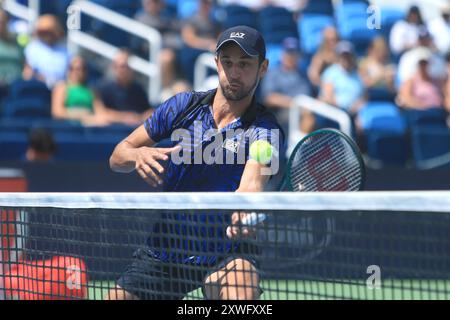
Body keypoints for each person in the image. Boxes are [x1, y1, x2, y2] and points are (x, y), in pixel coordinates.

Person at [108, 25, 284, 300]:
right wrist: (136, 154)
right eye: (227, 63)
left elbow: (252, 185)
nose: (234, 73)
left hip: (224, 252)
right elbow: (117, 156)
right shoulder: (182, 107)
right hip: (165, 250)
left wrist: (242, 213)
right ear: (216, 63)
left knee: (241, 287)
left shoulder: (264, 131)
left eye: (245, 64)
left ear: (263, 68)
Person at [261, 37, 312, 133]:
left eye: (294, 53)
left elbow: (309, 95)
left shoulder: (303, 74)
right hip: (282, 112)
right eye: (288, 52)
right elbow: (269, 98)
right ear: (282, 54)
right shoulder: (274, 73)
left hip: (304, 110)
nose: (291, 56)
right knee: (308, 118)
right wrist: (295, 104)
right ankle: (299, 147)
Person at [97, 49, 153, 126]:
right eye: (121, 66)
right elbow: (101, 114)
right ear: (114, 67)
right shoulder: (105, 89)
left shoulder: (139, 89)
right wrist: (124, 117)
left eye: (126, 66)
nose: (123, 70)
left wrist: (139, 117)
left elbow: (148, 111)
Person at [133, 0, 182, 88]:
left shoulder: (166, 17)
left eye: (156, 2)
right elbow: (142, 44)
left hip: (170, 50)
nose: (153, 4)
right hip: (148, 54)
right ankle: (166, 90)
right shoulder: (141, 18)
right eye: (152, 1)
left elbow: (176, 32)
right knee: (166, 57)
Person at [52, 56, 111, 126]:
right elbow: (57, 112)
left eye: (79, 69)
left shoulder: (91, 91)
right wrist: (81, 115)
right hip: (69, 128)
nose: (75, 71)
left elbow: (100, 113)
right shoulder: (62, 87)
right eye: (72, 68)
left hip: (89, 128)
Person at [320, 41, 367, 118]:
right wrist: (343, 111)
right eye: (343, 56)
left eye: (348, 56)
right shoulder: (331, 72)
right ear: (338, 57)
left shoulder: (358, 75)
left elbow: (364, 97)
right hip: (334, 114)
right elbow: (328, 96)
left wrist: (357, 107)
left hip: (355, 114)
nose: (346, 59)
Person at [179, 0, 221, 84]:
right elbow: (188, 39)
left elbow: (220, 37)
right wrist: (209, 45)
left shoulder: (215, 22)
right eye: (204, 2)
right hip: (194, 55)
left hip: (210, 54)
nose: (206, 5)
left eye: (209, 3)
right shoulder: (191, 19)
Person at [24, 15, 71, 89]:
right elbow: (28, 73)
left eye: (49, 32)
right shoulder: (32, 47)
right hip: (38, 87)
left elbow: (69, 75)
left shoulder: (65, 51)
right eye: (43, 32)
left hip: (60, 88)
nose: (46, 35)